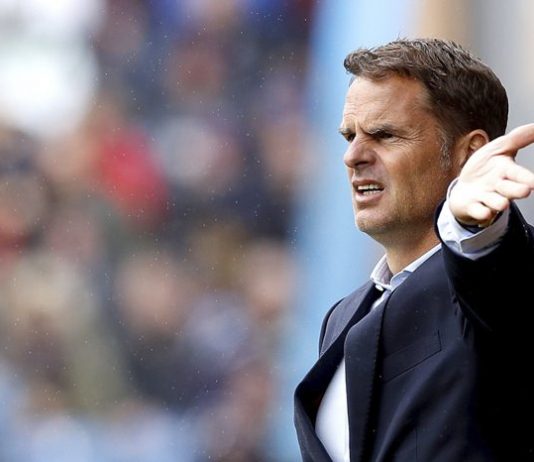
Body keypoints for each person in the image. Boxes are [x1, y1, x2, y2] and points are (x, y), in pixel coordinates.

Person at [293, 38, 534, 462]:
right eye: (349, 136)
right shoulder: (342, 318)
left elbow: (500, 280)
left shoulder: (501, 276)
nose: (353, 156)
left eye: (384, 135)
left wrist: (471, 225)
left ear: (470, 154)